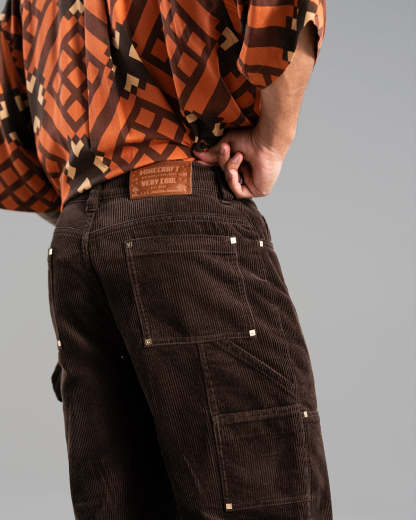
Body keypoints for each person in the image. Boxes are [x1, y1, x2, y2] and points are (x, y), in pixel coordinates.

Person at [0, 0, 333, 518]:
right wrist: (271, 142)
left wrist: (94, 208)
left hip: (76, 241)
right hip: (184, 210)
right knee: (266, 498)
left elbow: (10, 143)